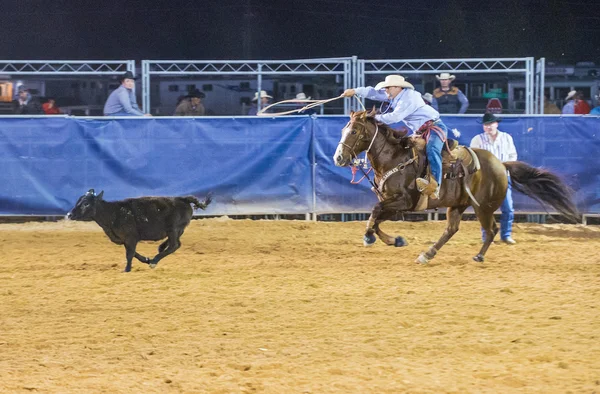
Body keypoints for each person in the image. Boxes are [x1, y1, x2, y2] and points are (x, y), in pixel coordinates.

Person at [342, 74, 447, 199]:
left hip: (434, 128)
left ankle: (435, 186)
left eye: (388, 87)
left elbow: (394, 117)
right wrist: (355, 91)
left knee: (432, 150)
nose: (385, 90)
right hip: (419, 131)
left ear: (398, 87)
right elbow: (373, 92)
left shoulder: (409, 98)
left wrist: (372, 118)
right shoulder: (394, 95)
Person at [470, 113, 518, 244]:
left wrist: (501, 168)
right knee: (485, 208)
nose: (488, 127)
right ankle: (487, 236)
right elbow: (474, 159)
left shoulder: (506, 138)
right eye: (486, 124)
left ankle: (506, 235)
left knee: (508, 208)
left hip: (503, 177)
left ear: (496, 124)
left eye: (490, 123)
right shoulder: (477, 139)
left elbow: (513, 156)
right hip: (485, 180)